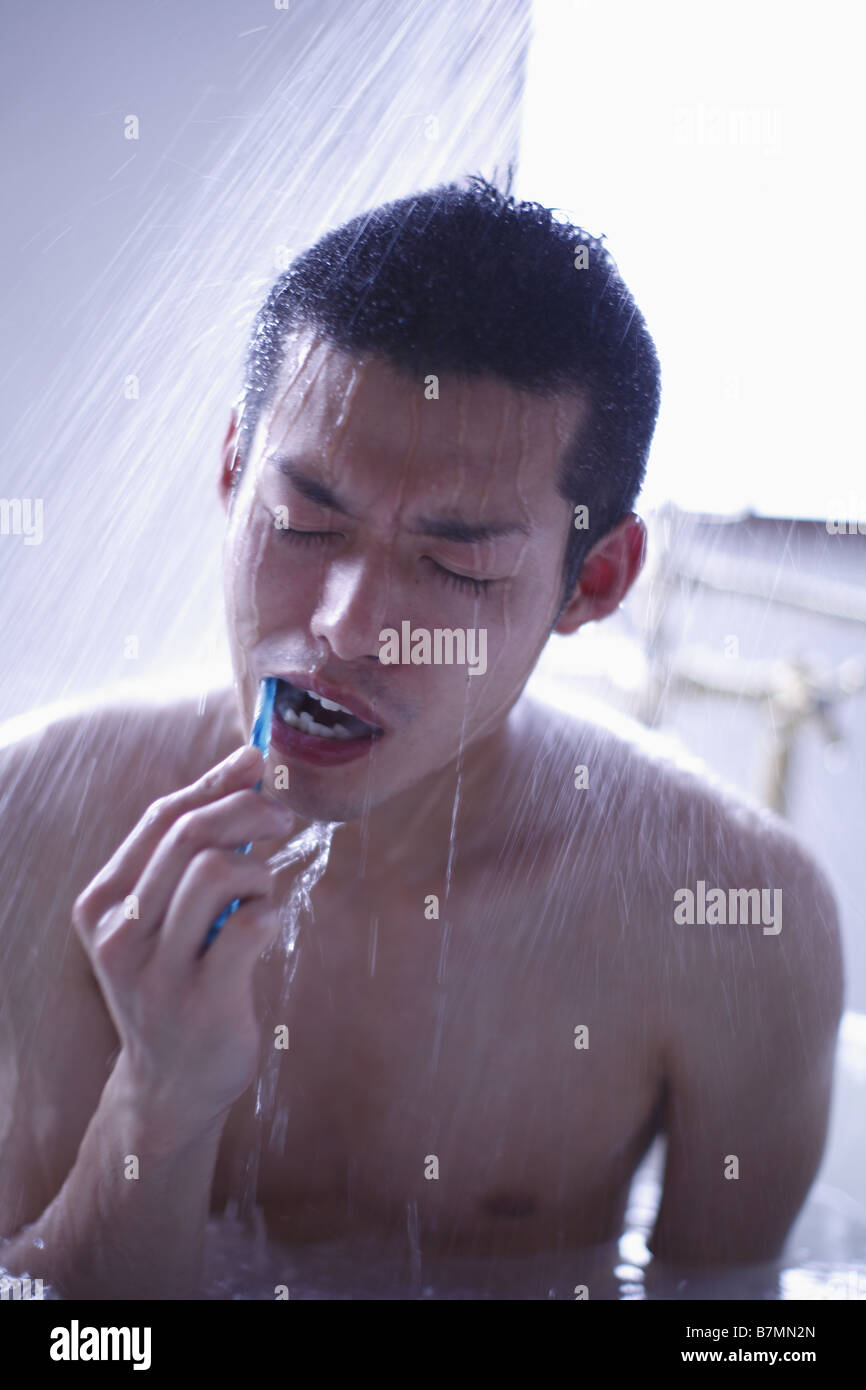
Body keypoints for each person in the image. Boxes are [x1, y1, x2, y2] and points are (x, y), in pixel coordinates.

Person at [0, 177, 843, 1299]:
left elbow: (734, 1332)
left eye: (455, 566)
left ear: (590, 580)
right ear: (228, 468)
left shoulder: (734, 919)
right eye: (303, 520)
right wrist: (158, 1098)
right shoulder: (33, 818)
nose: (341, 626)